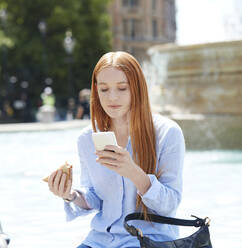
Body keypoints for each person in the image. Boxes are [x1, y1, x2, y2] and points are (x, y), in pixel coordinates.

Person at [47, 51, 185, 248]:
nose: (112, 97)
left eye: (122, 88)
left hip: (148, 240)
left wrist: (134, 173)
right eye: (104, 89)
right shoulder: (87, 138)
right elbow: (95, 198)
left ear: (136, 88)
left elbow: (170, 205)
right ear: (96, 90)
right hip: (100, 240)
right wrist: (70, 194)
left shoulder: (167, 133)